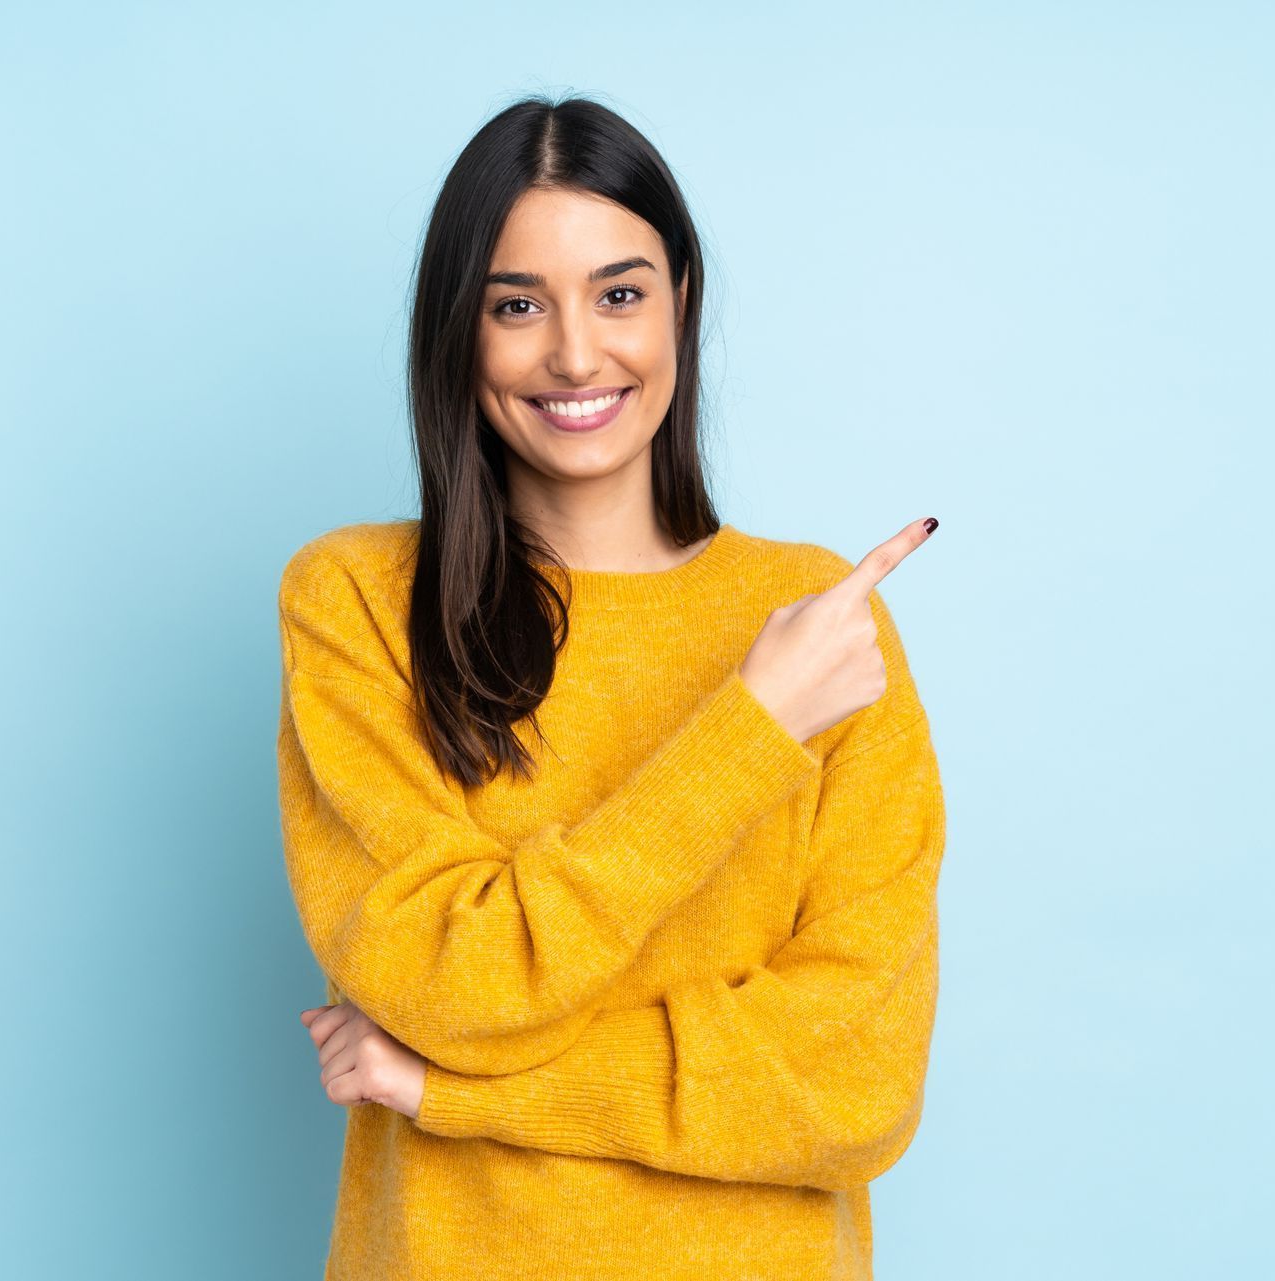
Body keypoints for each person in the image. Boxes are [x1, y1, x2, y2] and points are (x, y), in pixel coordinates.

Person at [276, 93, 946, 1280]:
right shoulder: (359, 604)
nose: (577, 354)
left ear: (682, 300)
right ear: (457, 331)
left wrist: (452, 1088)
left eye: (620, 293)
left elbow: (853, 1086)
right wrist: (749, 733)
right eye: (517, 305)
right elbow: (448, 980)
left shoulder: (821, 631)